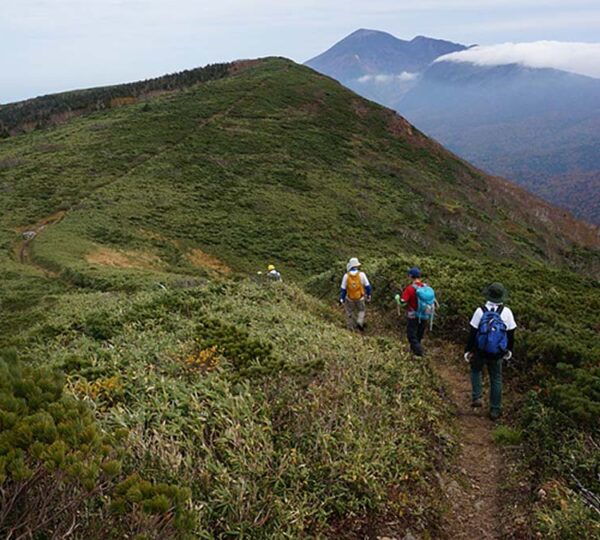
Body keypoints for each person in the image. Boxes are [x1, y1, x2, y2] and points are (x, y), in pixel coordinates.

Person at [464, 282, 516, 420]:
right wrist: (508, 350)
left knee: (475, 370)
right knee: (496, 379)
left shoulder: (480, 311)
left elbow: (472, 333)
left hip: (480, 351)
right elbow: (511, 334)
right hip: (497, 352)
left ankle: (477, 396)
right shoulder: (507, 312)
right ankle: (495, 409)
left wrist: (468, 351)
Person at [395, 267, 435, 357]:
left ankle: (419, 352)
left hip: (413, 315)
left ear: (410, 276)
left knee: (411, 335)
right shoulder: (426, 287)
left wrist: (397, 298)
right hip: (425, 314)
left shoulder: (409, 289)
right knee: (419, 334)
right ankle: (415, 351)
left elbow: (402, 302)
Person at [339, 257, 372, 331]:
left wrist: (342, 299)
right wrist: (369, 295)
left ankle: (350, 327)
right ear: (357, 266)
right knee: (361, 310)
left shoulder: (346, 276)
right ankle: (360, 322)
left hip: (350, 298)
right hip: (360, 297)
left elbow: (343, 289)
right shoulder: (362, 275)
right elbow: (368, 287)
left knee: (349, 312)